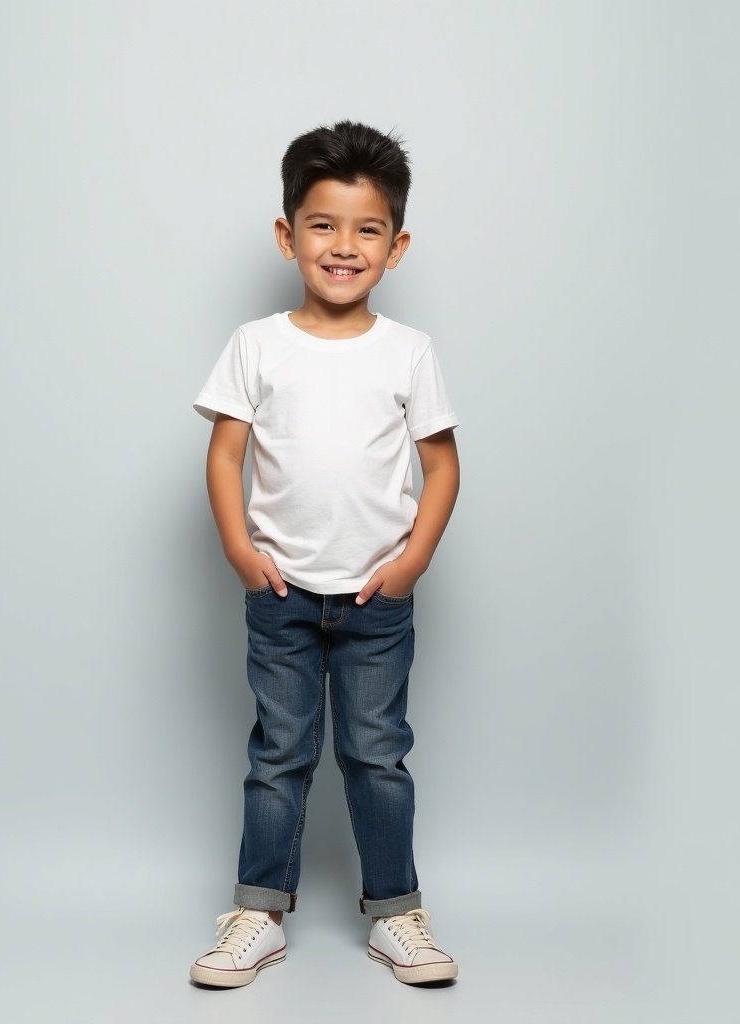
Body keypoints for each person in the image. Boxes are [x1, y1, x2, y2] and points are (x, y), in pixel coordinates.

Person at [190, 120, 460, 988]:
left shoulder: (408, 352)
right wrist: (239, 546)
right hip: (280, 590)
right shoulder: (256, 344)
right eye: (322, 225)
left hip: (377, 598)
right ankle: (259, 912)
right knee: (280, 751)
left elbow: (442, 465)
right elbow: (226, 453)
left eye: (367, 229)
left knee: (377, 752)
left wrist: (412, 561)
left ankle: (395, 915)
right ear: (287, 234)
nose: (344, 246)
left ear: (396, 245)